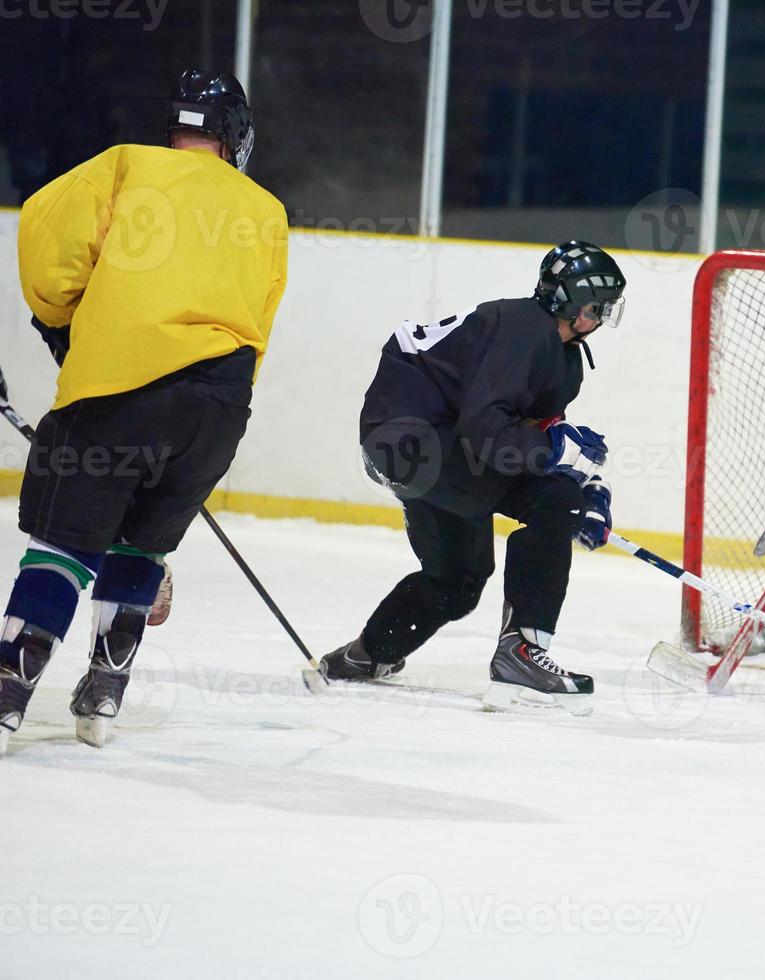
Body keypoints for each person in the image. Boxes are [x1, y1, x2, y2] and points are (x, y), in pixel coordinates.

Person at [0, 71, 288, 753]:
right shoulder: (267, 209)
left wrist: (64, 321)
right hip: (218, 410)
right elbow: (260, 320)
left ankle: (10, 689)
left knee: (64, 545)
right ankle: (105, 690)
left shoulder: (127, 166)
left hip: (118, 395)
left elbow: (48, 239)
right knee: (143, 546)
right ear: (236, 136)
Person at [320, 242, 625, 715]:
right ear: (564, 300)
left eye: (607, 309)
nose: (601, 318)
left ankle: (365, 655)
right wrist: (563, 474)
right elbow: (488, 432)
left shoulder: (556, 350)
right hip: (420, 442)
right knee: (554, 497)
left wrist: (589, 483)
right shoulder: (526, 331)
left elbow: (533, 433)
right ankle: (522, 653)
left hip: (416, 449)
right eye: (594, 307)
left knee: (458, 579)